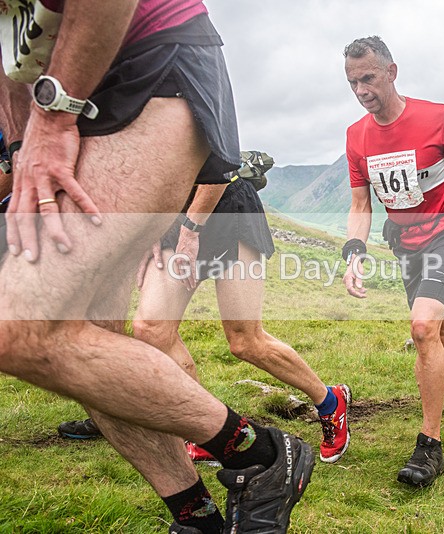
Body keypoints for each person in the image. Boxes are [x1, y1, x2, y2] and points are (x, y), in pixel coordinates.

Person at [0, 3, 312, 533]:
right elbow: (12, 62)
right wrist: (18, 146)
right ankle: (196, 516)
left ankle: (262, 455)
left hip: (151, 57)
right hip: (63, 94)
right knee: (91, 345)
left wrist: (50, 122)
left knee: (19, 328)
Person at [58, 154, 352, 465]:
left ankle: (329, 401)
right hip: (177, 216)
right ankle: (212, 433)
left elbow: (217, 168)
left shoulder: (178, 105)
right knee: (152, 328)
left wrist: (190, 231)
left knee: (245, 341)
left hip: (225, 206)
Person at [341, 36, 444, 487]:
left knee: (422, 327)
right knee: (441, 327)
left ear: (392, 72)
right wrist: (353, 252)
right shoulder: (356, 137)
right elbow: (362, 205)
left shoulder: (436, 118)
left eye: (369, 78)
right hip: (406, 242)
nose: (361, 90)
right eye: (352, 81)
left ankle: (429, 446)